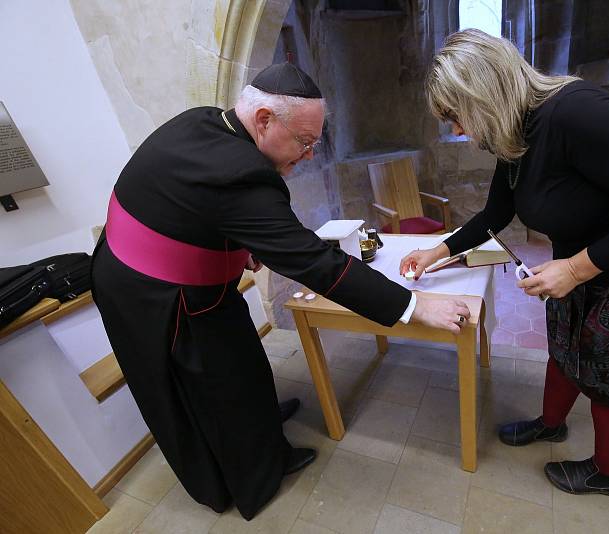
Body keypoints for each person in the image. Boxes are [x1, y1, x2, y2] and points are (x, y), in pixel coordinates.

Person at [91, 62, 471, 520]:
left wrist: (239, 244)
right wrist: (413, 304)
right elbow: (314, 261)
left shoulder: (207, 122)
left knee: (245, 363)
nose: (310, 155)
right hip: (157, 298)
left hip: (189, 282)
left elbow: (194, 207)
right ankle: (254, 478)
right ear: (265, 120)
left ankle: (264, 428)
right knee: (216, 389)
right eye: (305, 142)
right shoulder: (244, 173)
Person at [400, 30, 609, 497]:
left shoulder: (580, 114)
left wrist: (574, 269)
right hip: (583, 272)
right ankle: (550, 425)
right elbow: (496, 214)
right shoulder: (515, 132)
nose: (457, 131)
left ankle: (607, 475)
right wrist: (439, 250)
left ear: (483, 94)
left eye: (456, 116)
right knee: (566, 355)